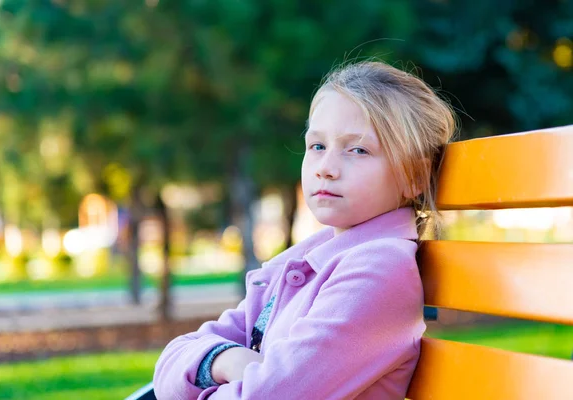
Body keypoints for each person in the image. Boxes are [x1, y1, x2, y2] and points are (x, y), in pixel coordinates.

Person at [153, 60, 456, 400]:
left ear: (414, 176)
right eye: (317, 146)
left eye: (358, 150)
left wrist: (219, 373)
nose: (326, 168)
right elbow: (169, 365)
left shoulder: (378, 272)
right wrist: (224, 359)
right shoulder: (303, 262)